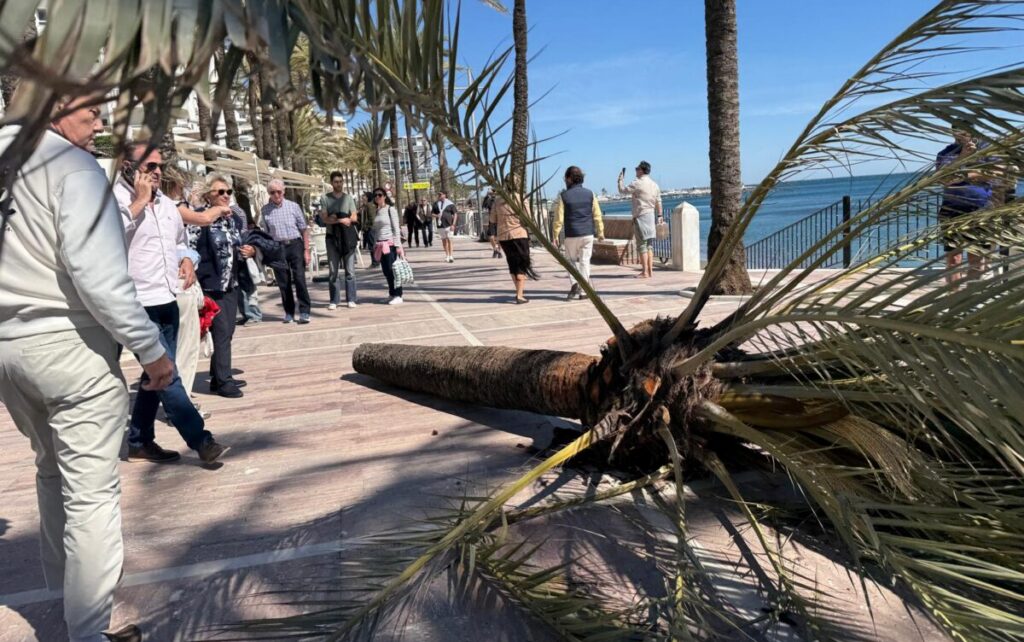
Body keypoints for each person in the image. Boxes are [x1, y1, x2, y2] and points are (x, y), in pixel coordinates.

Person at [0, 97, 175, 642]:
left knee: (51, 474)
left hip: (8, 348)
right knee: (91, 496)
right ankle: (87, 630)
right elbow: (97, 277)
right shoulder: (72, 166)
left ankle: (69, 609)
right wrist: (152, 350)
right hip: (71, 348)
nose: (100, 122)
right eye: (92, 109)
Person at [113, 143, 228, 464]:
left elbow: (180, 242)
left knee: (159, 375)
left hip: (168, 299)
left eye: (159, 166)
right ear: (127, 167)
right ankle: (201, 440)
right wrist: (138, 201)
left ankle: (139, 441)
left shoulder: (165, 204)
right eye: (149, 166)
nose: (157, 172)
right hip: (136, 303)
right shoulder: (114, 201)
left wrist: (188, 259)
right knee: (168, 374)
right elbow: (104, 237)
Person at [189, 174, 255, 399]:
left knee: (229, 332)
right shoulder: (200, 218)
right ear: (209, 195)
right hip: (211, 284)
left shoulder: (232, 218)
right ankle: (224, 381)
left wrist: (248, 252)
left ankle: (218, 377)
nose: (226, 196)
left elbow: (238, 243)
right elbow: (191, 248)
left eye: (229, 192)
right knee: (221, 331)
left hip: (231, 283)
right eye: (220, 192)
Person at [936, 131, 993, 287]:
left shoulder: (986, 150)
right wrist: (962, 157)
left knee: (976, 257)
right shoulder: (945, 153)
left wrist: (961, 175)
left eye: (965, 130)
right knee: (954, 259)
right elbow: (942, 179)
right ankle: (953, 298)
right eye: (957, 130)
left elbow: (994, 173)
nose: (961, 134)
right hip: (951, 210)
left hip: (979, 209)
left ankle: (971, 297)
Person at [261, 179, 312, 323]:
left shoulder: (293, 206)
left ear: (284, 191)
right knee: (283, 283)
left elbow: (304, 230)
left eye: (279, 191)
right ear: (269, 193)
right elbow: (266, 233)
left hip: (295, 245)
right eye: (272, 192)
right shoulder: (265, 210)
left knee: (300, 279)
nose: (276, 195)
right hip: (278, 248)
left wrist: (306, 250)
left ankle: (304, 311)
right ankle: (289, 312)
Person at [553, 166, 605, 301]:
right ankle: (583, 291)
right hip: (588, 233)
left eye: (565, 178)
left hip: (572, 234)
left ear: (569, 179)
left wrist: (555, 235)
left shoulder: (563, 196)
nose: (564, 180)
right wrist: (600, 232)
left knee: (570, 261)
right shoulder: (590, 193)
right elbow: (597, 214)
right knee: (585, 262)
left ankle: (575, 283)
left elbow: (558, 218)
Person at [490, 176, 539, 303]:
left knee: (512, 263)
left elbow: (492, 220)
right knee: (521, 264)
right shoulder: (521, 198)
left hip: (504, 236)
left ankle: (518, 291)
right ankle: (519, 295)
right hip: (519, 234)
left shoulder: (498, 200)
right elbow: (528, 218)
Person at [319, 171, 360, 309]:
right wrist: (342, 219)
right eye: (336, 181)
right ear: (331, 183)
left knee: (350, 270)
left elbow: (354, 217)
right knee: (333, 270)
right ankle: (334, 300)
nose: (339, 184)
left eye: (341, 181)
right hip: (332, 238)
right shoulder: (325, 198)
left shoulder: (348, 198)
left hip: (347, 238)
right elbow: (325, 218)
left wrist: (336, 218)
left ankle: (351, 299)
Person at [618, 160, 663, 279]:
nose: (635, 171)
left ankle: (645, 272)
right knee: (649, 245)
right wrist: (660, 215)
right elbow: (659, 201)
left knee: (642, 245)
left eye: (637, 169)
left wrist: (620, 180)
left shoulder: (637, 183)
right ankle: (650, 271)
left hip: (641, 217)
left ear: (642, 170)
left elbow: (622, 190)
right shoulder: (655, 185)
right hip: (651, 216)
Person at [371, 188, 406, 304]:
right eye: (375, 195)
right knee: (386, 271)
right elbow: (376, 230)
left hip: (390, 244)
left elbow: (396, 228)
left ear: (385, 196)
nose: (377, 197)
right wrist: (375, 244)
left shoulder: (391, 210)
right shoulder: (377, 211)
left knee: (393, 270)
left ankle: (398, 295)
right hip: (380, 244)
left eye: (380, 195)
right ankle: (392, 294)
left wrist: (398, 246)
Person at [432, 191, 459, 262]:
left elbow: (455, 214)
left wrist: (453, 224)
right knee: (444, 240)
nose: (439, 195)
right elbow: (432, 214)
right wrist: (436, 215)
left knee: (450, 240)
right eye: (438, 194)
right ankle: (447, 255)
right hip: (440, 225)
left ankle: (451, 256)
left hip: (449, 224)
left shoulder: (450, 204)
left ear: (444, 195)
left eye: (440, 194)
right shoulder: (436, 204)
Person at [359, 191, 380, 268]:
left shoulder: (370, 205)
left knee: (372, 246)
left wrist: (367, 226)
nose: (363, 197)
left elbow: (372, 218)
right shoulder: (365, 205)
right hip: (368, 229)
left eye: (364, 195)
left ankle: (375, 262)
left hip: (371, 229)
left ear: (367, 197)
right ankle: (375, 262)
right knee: (371, 246)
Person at [483, 189, 501, 258]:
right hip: (492, 220)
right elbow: (484, 206)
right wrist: (487, 195)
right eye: (492, 191)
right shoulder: (489, 200)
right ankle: (495, 249)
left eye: (494, 191)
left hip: (500, 220)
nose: (493, 192)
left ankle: (499, 250)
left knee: (499, 237)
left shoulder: (500, 199)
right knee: (491, 236)